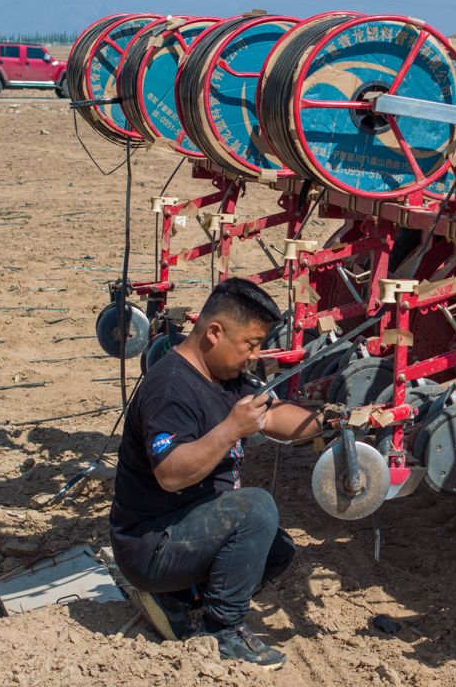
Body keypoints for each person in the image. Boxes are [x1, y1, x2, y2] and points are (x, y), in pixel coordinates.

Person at [109, 278, 331, 670]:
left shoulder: (226, 378)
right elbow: (171, 475)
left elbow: (275, 415)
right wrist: (232, 428)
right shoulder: (170, 387)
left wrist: (332, 421)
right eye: (251, 343)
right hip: (150, 545)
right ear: (215, 333)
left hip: (183, 531)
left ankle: (176, 599)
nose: (255, 355)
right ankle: (221, 631)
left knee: (277, 552)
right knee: (255, 509)